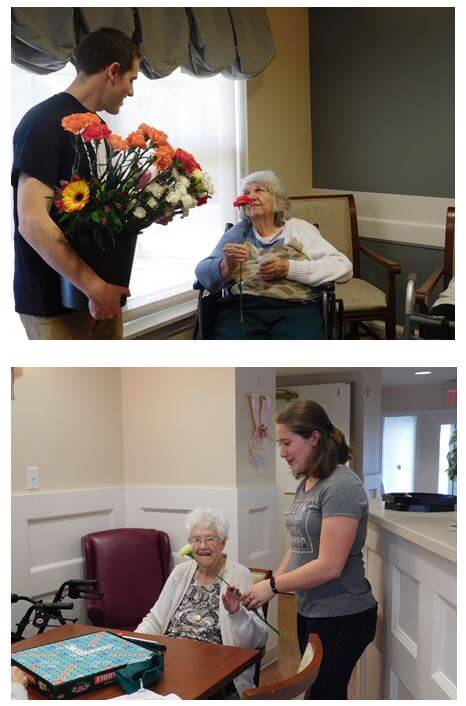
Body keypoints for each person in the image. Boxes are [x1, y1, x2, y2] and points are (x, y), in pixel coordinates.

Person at [241, 401, 377, 700]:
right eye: (280, 443)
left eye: (287, 442)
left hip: (343, 614)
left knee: (323, 694)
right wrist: (270, 585)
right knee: (320, 691)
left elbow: (330, 566)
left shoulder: (341, 485)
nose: (282, 453)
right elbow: (299, 545)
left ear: (314, 438)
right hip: (312, 610)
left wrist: (273, 585)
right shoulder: (308, 483)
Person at [12, 28, 141, 339]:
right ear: (112, 72)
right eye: (131, 79)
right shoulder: (43, 123)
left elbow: (98, 211)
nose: (131, 91)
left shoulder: (98, 129)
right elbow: (31, 222)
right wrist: (93, 287)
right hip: (54, 305)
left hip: (100, 298)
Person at [194, 170, 352, 339]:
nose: (251, 196)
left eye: (259, 190)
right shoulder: (239, 232)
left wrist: (288, 269)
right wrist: (225, 265)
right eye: (247, 193)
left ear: (277, 199)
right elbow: (201, 272)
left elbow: (343, 266)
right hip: (243, 308)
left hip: (295, 308)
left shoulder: (298, 229)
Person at [135, 508, 267, 696]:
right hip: (169, 665)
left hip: (214, 675)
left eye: (210, 539)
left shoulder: (239, 575)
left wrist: (237, 614)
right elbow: (155, 620)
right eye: (196, 539)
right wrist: (132, 646)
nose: (202, 546)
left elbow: (258, 639)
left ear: (223, 542)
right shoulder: (181, 572)